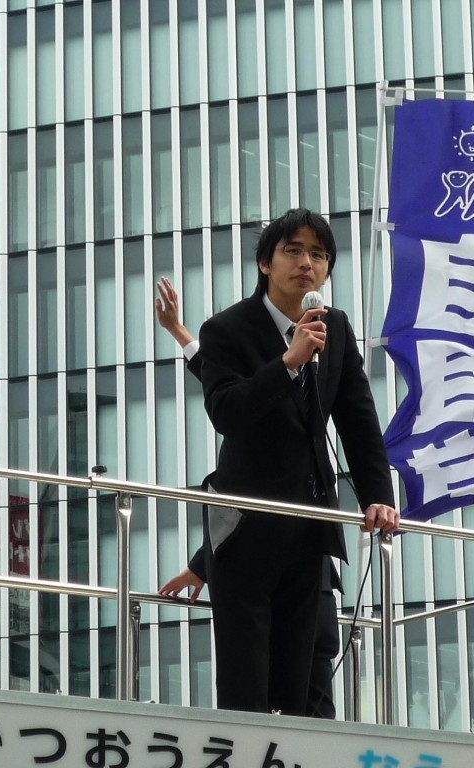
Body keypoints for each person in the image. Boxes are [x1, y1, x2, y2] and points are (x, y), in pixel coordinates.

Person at [196, 208, 398, 716]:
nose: (307, 262)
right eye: (293, 251)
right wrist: (288, 362)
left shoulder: (335, 327)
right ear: (265, 263)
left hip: (309, 525)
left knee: (298, 683)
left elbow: (358, 418)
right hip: (243, 527)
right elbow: (226, 412)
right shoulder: (226, 329)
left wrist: (377, 496)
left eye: (319, 254)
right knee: (246, 685)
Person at [155, 275, 342, 719]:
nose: (307, 264)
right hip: (266, 553)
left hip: (309, 555)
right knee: (260, 681)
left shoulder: (323, 346)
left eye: (317, 255)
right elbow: (228, 391)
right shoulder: (255, 361)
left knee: (312, 688)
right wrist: (179, 331)